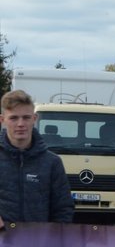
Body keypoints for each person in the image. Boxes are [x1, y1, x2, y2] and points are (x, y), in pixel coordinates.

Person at [0, 89, 74, 228]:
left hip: (39, 245)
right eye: (14, 118)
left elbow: (63, 209)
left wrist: (55, 238)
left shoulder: (52, 163)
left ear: (34, 119)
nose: (20, 124)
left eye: (26, 117)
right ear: (2, 120)